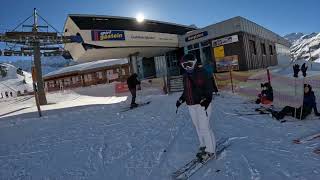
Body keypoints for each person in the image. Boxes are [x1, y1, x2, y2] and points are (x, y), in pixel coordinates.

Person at [176, 53, 216, 161]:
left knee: (204, 127)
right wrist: (181, 99)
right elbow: (186, 91)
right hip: (191, 106)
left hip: (202, 105)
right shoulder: (185, 76)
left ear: (194, 62)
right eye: (184, 65)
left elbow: (209, 89)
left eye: (189, 64)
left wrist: (207, 100)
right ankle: (203, 145)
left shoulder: (203, 73)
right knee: (198, 127)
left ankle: (210, 150)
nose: (187, 67)